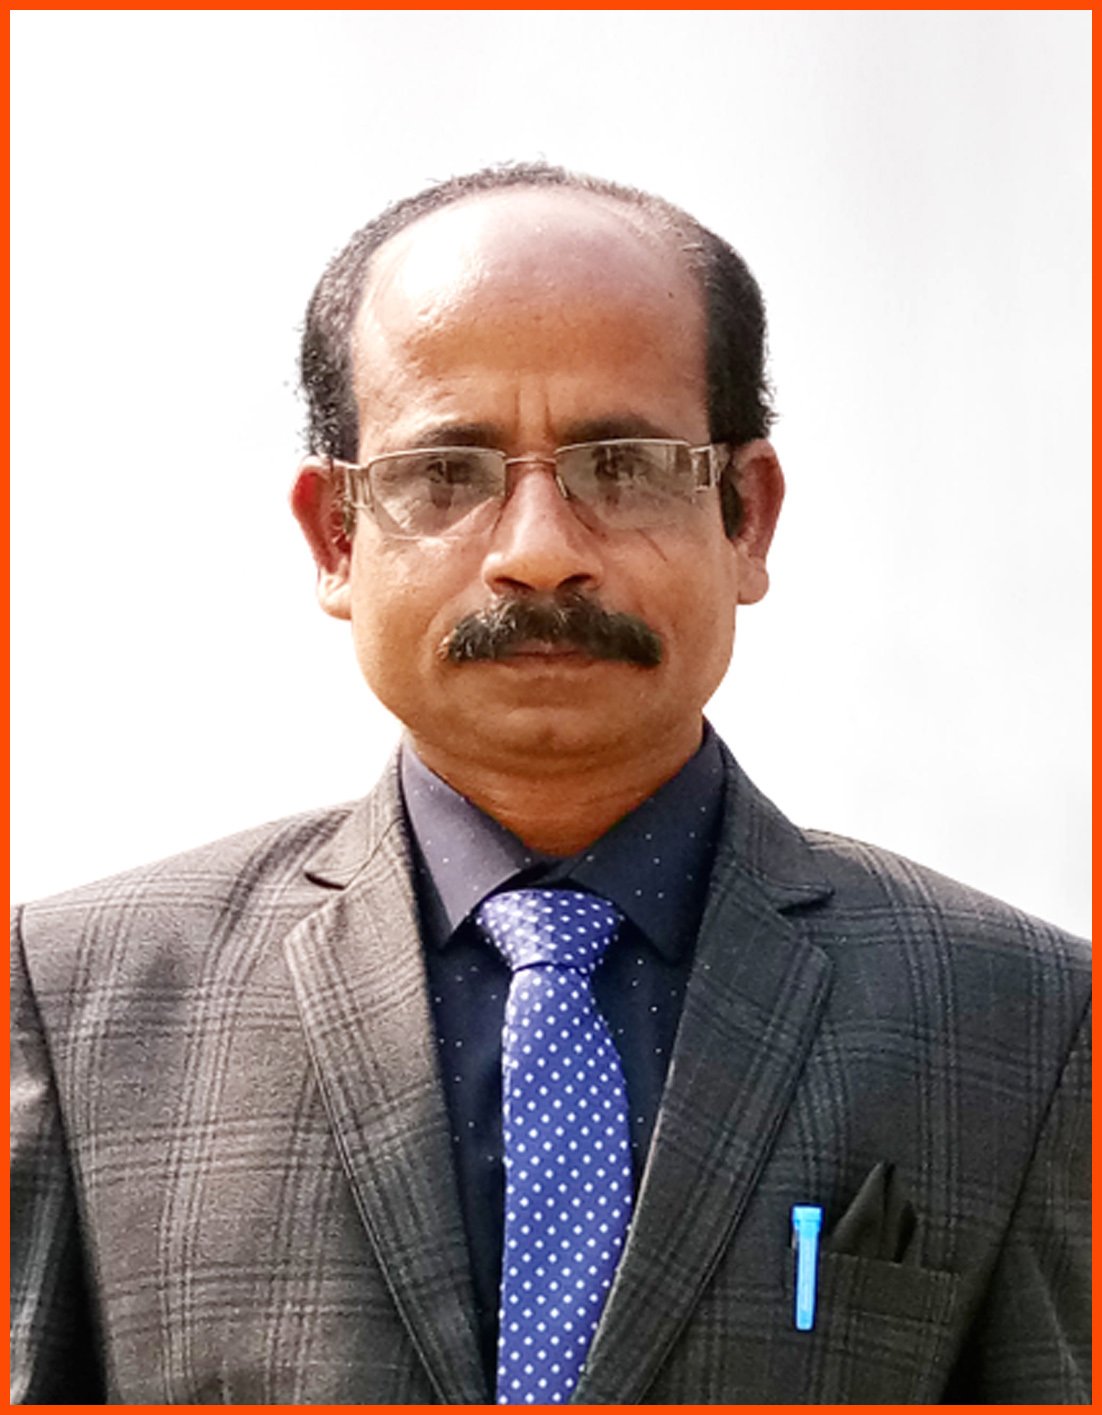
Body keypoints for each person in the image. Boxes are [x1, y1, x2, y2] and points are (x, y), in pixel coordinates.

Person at [10, 163, 1089, 1406]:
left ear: (745, 517)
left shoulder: (1021, 1018)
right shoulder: (85, 1004)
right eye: (446, 474)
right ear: (335, 537)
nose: (537, 553)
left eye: (620, 465)